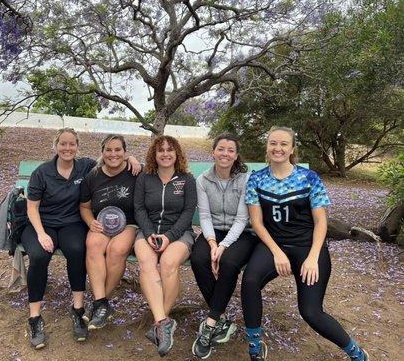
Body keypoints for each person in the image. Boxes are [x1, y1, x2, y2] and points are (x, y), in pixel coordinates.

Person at [241, 126, 369, 361]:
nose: (277, 148)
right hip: (274, 244)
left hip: (307, 246)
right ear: (267, 147)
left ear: (292, 148)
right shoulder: (256, 179)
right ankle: (255, 345)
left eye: (283, 144)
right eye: (273, 143)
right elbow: (257, 223)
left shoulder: (309, 178)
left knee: (310, 311)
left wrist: (312, 257)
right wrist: (278, 253)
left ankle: (356, 352)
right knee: (249, 281)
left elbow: (321, 222)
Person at [22, 128, 140, 349]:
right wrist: (41, 233)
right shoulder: (42, 172)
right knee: (39, 256)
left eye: (71, 144)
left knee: (77, 250)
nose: (67, 148)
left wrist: (131, 157)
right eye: (63, 144)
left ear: (77, 146)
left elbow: (111, 158)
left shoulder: (85, 166)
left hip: (70, 224)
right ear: (55, 146)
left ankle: (78, 310)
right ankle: (35, 317)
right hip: (41, 224)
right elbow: (32, 207)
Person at [190, 133, 259, 359]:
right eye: (221, 149)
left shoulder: (245, 179)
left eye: (230, 150)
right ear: (213, 152)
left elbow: (242, 219)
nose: (225, 154)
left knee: (228, 262)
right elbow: (205, 216)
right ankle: (220, 317)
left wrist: (223, 246)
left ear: (236, 155)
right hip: (214, 231)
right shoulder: (203, 180)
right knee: (199, 258)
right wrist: (212, 243)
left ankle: (211, 322)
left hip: (243, 233)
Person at [134, 135, 197, 357]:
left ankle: (159, 324)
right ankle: (163, 323)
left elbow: (189, 212)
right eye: (160, 150)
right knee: (146, 263)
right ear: (154, 154)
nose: (165, 153)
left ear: (177, 153)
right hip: (148, 231)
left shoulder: (187, 179)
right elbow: (139, 209)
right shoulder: (144, 178)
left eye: (170, 149)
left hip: (180, 234)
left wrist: (169, 236)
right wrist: (150, 234)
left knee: (169, 263)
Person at [79, 134, 139, 330]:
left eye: (118, 150)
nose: (113, 154)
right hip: (102, 224)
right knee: (93, 244)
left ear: (125, 152)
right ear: (102, 152)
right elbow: (85, 206)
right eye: (109, 150)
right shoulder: (93, 176)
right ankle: (102, 303)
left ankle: (99, 304)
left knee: (117, 249)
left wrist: (134, 159)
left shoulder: (134, 171)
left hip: (129, 224)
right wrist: (90, 222)